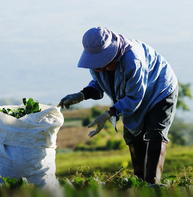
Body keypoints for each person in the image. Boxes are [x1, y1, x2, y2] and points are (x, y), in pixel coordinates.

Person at [58, 27, 178, 184]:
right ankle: (140, 183)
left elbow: (135, 97)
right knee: (132, 135)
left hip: (159, 90)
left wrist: (109, 113)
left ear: (113, 54)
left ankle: (152, 185)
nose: (99, 68)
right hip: (132, 94)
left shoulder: (132, 60)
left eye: (103, 62)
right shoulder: (98, 65)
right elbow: (100, 83)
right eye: (96, 65)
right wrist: (82, 95)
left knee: (155, 134)